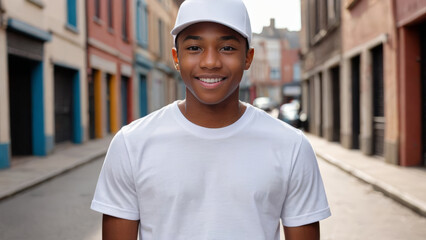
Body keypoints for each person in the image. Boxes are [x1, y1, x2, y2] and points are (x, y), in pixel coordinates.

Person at [91, 0, 331, 239]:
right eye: (194, 48)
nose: (210, 62)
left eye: (227, 48)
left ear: (248, 58)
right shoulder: (131, 144)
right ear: (176, 57)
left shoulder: (291, 146)